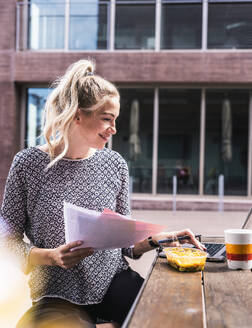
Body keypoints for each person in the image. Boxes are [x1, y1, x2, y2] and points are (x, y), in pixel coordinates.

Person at [0, 59, 205, 328]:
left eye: (116, 120)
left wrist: (156, 240)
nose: (114, 128)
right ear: (77, 115)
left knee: (171, 316)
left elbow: (126, 246)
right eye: (107, 119)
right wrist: (51, 256)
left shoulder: (114, 164)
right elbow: (6, 244)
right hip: (55, 292)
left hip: (114, 283)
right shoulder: (27, 164)